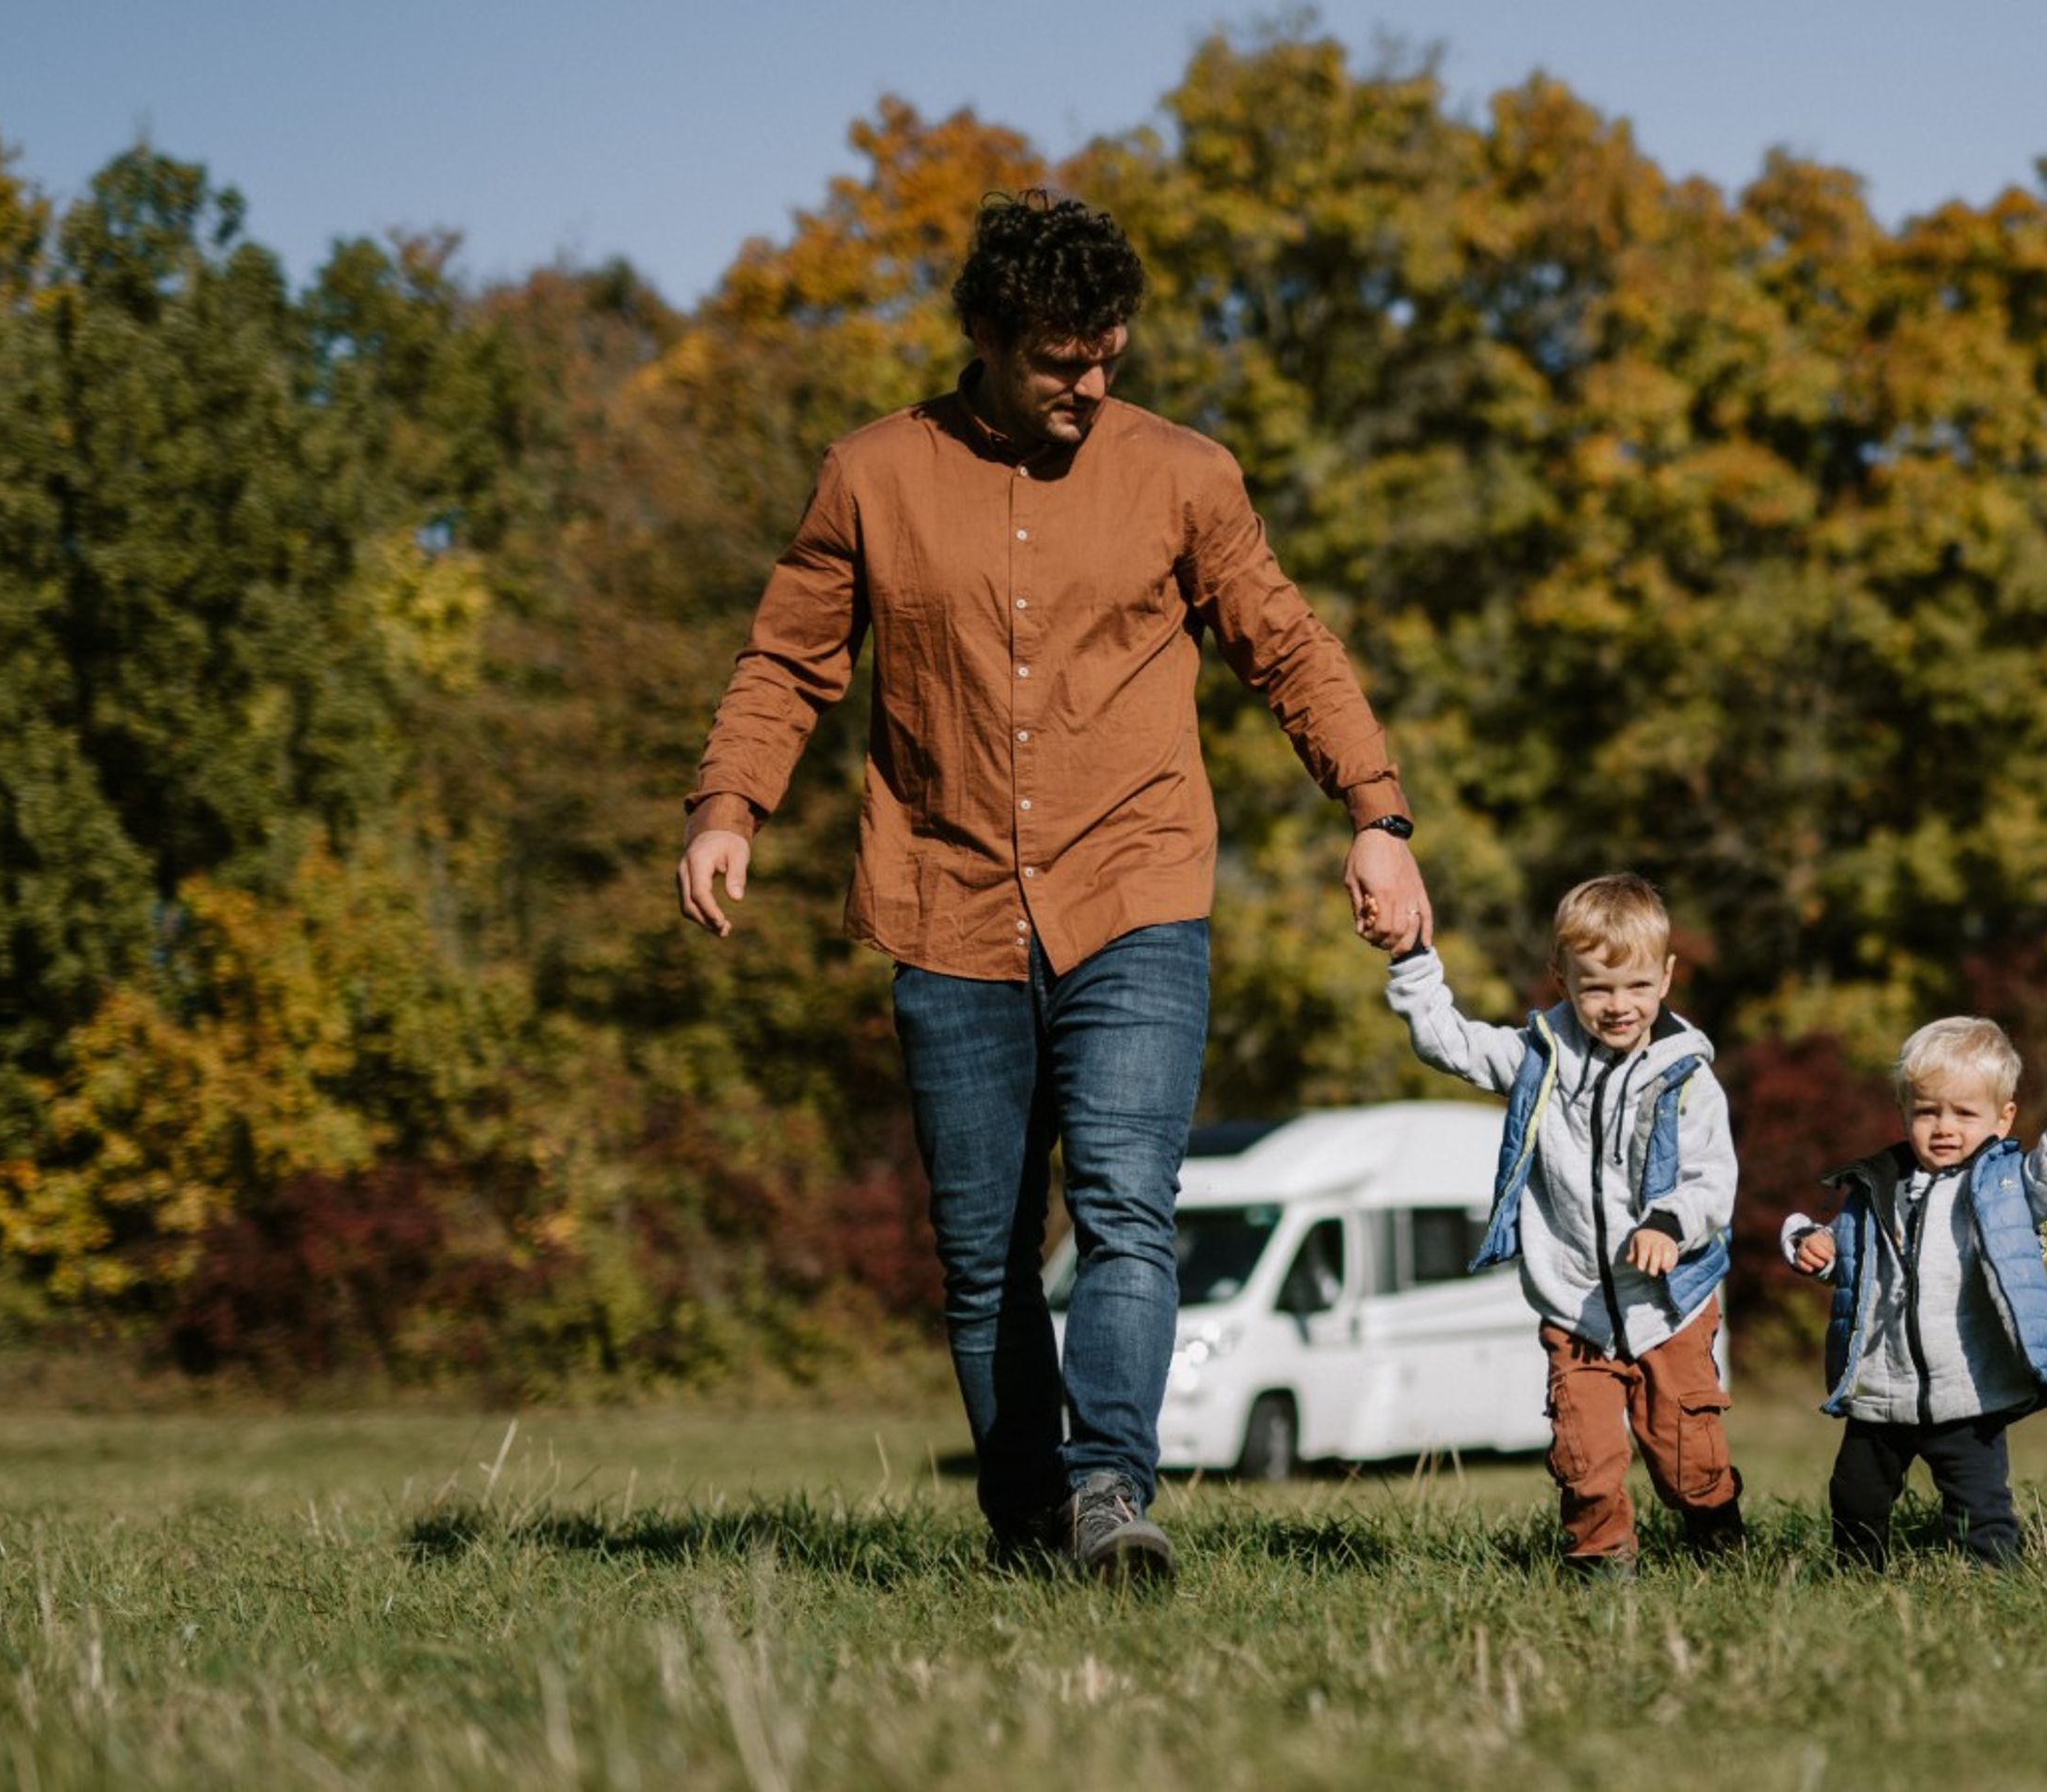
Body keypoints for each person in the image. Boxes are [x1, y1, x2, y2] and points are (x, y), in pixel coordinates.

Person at [676, 191, 1431, 1583]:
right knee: (985, 1252)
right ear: (985, 337)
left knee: (1131, 1206)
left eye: (1109, 353)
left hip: (1134, 887)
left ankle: (1107, 1493)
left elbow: (1290, 649)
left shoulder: (1184, 474)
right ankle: (1029, 1525)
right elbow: (788, 660)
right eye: (1059, 359)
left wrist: (1376, 813)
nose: (1091, 382)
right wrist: (731, 806)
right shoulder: (872, 476)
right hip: (943, 897)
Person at [1381, 874, 1746, 1579]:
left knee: (1685, 1456)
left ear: (1668, 977)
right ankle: (1600, 1564)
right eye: (1598, 988)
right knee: (1586, 1455)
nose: (1619, 1006)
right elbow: (1446, 1043)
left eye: (1638, 986)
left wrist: (1668, 1223)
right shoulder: (1538, 1059)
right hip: (1574, 1303)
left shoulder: (1688, 1079)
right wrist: (1412, 960)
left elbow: (1713, 1180)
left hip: (1668, 1305)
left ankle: (1718, 1536)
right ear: (1562, 979)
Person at [1784, 1017, 2047, 1569]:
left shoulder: (2005, 1185)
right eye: (1928, 1111)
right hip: (1884, 1386)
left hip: (1968, 1389)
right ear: (1905, 1113)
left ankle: (1997, 1589)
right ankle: (1854, 1581)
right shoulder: (1875, 1186)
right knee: (1855, 1497)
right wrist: (1809, 1245)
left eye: (1965, 1113)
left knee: (1979, 1507)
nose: (1944, 1127)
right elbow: (1846, 1260)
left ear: (2003, 1117)